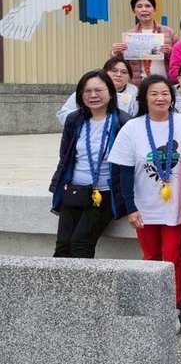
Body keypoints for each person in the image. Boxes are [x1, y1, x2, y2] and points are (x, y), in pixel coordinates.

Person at [108, 75, 181, 334]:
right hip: (144, 205)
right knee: (150, 257)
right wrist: (130, 208)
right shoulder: (132, 128)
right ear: (144, 98)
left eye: (165, 93)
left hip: (175, 205)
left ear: (172, 97)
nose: (160, 98)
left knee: (172, 258)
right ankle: (151, 304)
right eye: (154, 94)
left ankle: (173, 308)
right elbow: (122, 173)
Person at [50, 70, 131, 258]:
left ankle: (84, 288)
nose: (93, 95)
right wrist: (58, 188)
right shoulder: (74, 119)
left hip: (103, 193)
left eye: (98, 90)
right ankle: (62, 288)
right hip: (74, 191)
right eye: (87, 91)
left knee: (80, 244)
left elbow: (129, 164)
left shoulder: (123, 122)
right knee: (62, 247)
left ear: (110, 93)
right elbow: (65, 157)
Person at [110, 0, 177, 85]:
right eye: (139, 6)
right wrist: (114, 52)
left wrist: (170, 52)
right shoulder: (129, 36)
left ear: (154, 10)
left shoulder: (168, 32)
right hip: (140, 84)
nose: (144, 9)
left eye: (148, 6)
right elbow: (122, 63)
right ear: (134, 11)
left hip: (166, 83)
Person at [57, 58, 138, 125]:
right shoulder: (87, 90)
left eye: (124, 72)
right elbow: (63, 114)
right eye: (114, 71)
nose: (119, 74)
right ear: (105, 72)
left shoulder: (135, 95)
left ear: (129, 77)